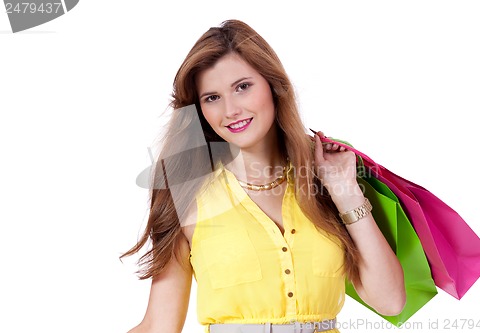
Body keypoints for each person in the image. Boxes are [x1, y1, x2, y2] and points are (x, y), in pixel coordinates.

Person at [121, 19, 405, 333]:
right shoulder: (185, 196)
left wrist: (345, 191)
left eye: (242, 87)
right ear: (199, 110)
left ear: (272, 85)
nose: (230, 110)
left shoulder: (324, 184)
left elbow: (390, 301)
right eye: (212, 98)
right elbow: (159, 326)